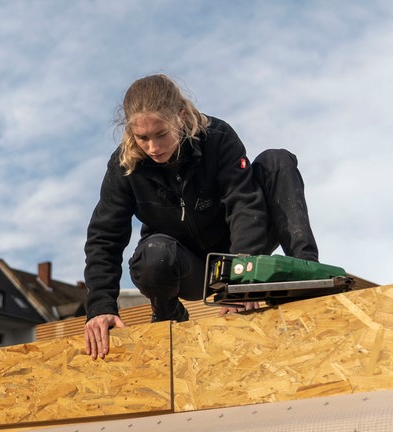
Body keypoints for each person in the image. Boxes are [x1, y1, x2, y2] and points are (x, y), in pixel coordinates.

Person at [83, 74, 319, 359]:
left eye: (161, 134)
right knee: (154, 253)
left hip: (241, 255)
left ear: (180, 117)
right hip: (189, 268)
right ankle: (168, 313)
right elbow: (103, 238)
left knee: (277, 161)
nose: (153, 148)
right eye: (142, 138)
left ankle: (308, 274)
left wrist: (241, 281)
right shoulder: (124, 167)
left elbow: (244, 202)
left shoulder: (217, 138)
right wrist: (100, 307)